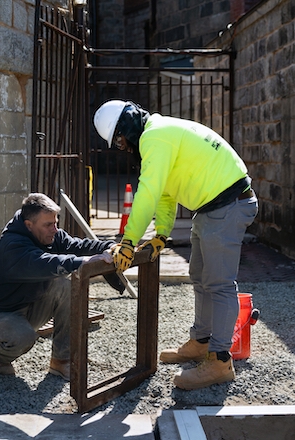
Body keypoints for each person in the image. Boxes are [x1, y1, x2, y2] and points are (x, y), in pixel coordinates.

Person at [93, 100, 258, 390]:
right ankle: (201, 342)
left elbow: (148, 192)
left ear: (126, 128)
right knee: (200, 276)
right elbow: (166, 193)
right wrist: (161, 234)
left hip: (227, 204)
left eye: (119, 140)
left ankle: (220, 360)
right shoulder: (159, 133)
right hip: (214, 206)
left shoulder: (154, 136)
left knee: (218, 284)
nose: (122, 146)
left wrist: (129, 241)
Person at [0, 193, 118, 378]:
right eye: (48, 225)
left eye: (55, 223)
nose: (54, 229)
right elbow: (43, 262)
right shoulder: (12, 245)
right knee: (23, 337)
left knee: (65, 285)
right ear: (28, 225)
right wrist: (82, 261)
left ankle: (61, 361)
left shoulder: (49, 235)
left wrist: (111, 247)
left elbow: (78, 246)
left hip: (27, 306)